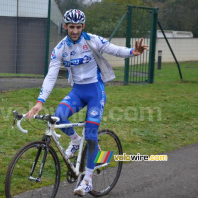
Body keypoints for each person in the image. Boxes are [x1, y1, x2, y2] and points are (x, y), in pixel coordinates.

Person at [26, 9, 148, 196]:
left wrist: (133, 52)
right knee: (59, 116)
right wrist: (39, 102)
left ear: (83, 26)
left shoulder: (92, 40)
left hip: (95, 92)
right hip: (77, 91)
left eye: (78, 27)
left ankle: (88, 180)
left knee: (91, 134)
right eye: (71, 27)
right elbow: (51, 76)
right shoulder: (60, 48)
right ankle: (75, 141)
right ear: (65, 26)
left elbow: (114, 49)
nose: (75, 31)